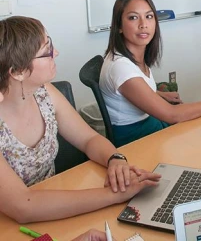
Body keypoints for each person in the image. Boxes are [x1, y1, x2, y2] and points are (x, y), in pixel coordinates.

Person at [0, 16, 161, 223]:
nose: (55, 53)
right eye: (47, 51)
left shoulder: (44, 93)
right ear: (18, 72)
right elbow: (24, 206)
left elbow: (88, 139)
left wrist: (115, 159)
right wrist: (117, 194)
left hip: (54, 206)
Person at [99, 0, 201, 147]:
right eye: (133, 18)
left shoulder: (132, 54)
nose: (143, 24)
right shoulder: (121, 67)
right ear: (119, 26)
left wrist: (156, 94)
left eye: (149, 16)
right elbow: (171, 115)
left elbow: (131, 90)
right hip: (137, 141)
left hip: (150, 124)